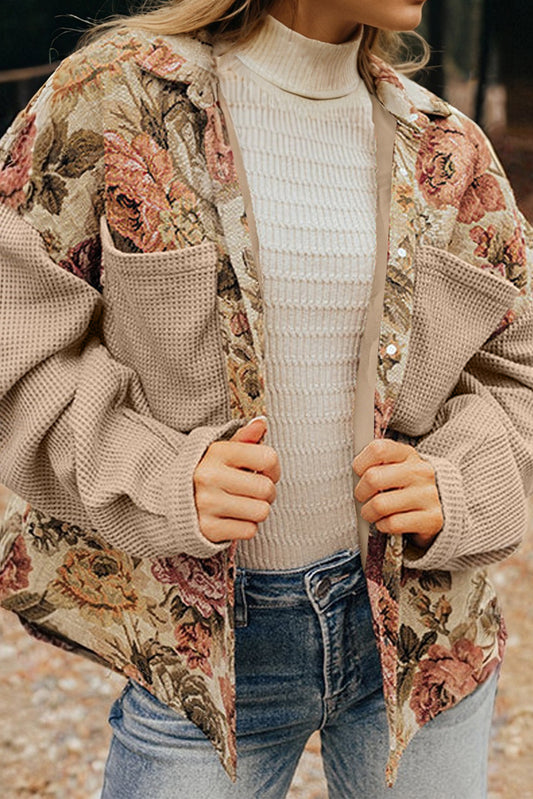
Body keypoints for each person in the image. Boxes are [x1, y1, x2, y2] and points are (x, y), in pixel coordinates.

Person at [0, 0, 532, 796]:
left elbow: (515, 363)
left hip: (424, 635)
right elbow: (17, 338)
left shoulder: (449, 151)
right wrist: (161, 475)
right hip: (199, 648)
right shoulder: (115, 101)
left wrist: (456, 484)